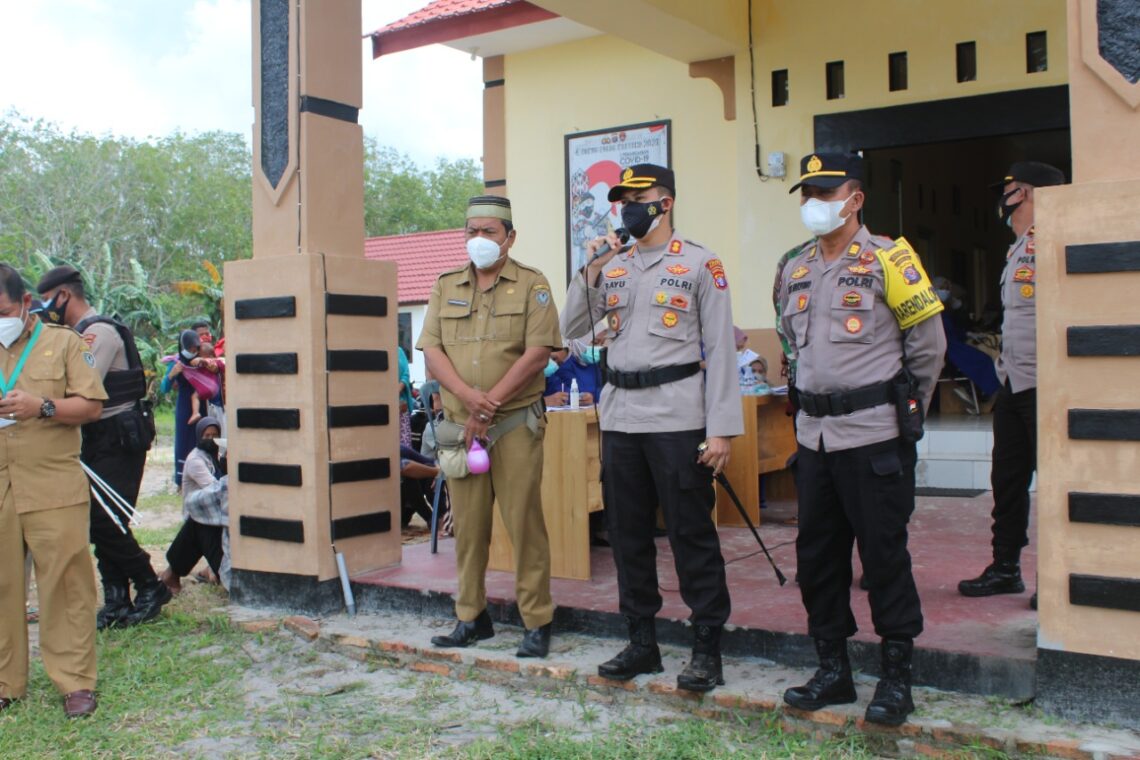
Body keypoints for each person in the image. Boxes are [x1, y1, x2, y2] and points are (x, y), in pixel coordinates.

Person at [776, 153, 945, 726]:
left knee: (883, 558)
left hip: (873, 437)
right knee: (817, 562)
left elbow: (927, 349)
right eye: (807, 194)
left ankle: (897, 679)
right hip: (815, 439)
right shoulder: (794, 268)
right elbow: (791, 350)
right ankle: (834, 672)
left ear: (856, 199)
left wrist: (900, 407)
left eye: (826, 193)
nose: (814, 204)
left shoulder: (891, 259)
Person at [562, 163, 743, 693]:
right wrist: (591, 270)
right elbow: (572, 329)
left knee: (690, 534)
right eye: (622, 200)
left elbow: (723, 351)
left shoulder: (700, 265)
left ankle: (706, 647)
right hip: (620, 417)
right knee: (627, 535)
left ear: (665, 204)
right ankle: (642, 643)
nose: (627, 208)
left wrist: (723, 429)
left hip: (677, 417)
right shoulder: (612, 267)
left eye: (638, 198)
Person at [417, 195, 560, 659]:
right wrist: (469, 398)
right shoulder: (444, 285)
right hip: (462, 429)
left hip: (514, 424)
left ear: (510, 237)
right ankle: (470, 618)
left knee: (524, 525)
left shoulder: (533, 285)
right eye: (471, 231)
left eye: (490, 232)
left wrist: (490, 402)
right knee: (469, 527)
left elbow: (538, 352)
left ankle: (536, 621)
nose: (478, 240)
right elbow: (433, 350)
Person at [36, 265, 170, 629]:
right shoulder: (75, 334)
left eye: (45, 301)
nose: (41, 309)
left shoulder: (98, 334)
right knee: (101, 521)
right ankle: (116, 599)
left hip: (118, 436)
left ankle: (149, 586)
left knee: (106, 520)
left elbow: (80, 388)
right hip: (96, 438)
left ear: (64, 296)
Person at [0, 263, 106, 718]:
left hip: (52, 484)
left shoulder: (62, 343)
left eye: (1, 310)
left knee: (65, 585)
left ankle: (75, 683)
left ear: (25, 303)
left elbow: (92, 406)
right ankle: (7, 682)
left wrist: (41, 405)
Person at [958, 161, 1065, 608]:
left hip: (1049, 386)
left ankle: (1055, 580)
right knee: (1007, 481)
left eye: (1008, 191)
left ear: (1024, 193)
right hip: (1015, 383)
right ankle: (1005, 568)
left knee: (1057, 487)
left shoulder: (1058, 240)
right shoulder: (1018, 248)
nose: (1002, 200)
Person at [160, 417, 230, 594]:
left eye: (215, 435)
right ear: (199, 436)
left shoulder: (215, 457)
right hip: (202, 512)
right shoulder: (196, 461)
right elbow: (215, 490)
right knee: (199, 524)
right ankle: (175, 573)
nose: (210, 439)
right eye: (207, 435)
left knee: (200, 526)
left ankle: (173, 573)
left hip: (213, 515)